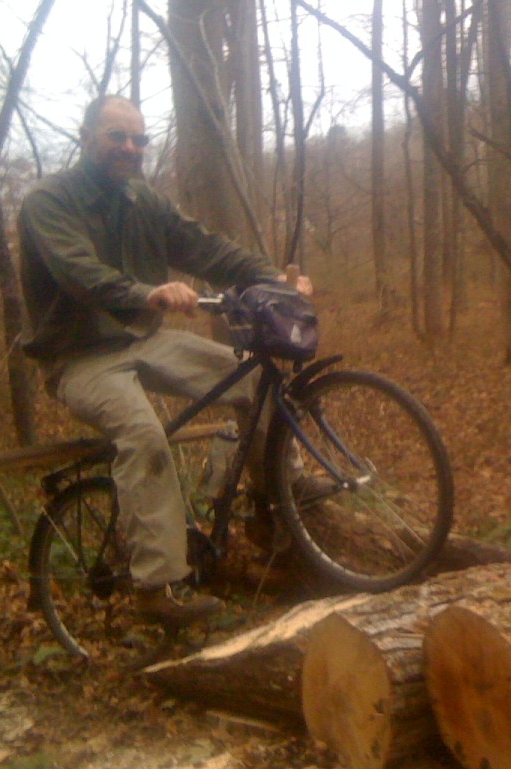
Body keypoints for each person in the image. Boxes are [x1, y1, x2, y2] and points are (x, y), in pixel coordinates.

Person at [18, 94, 305, 630]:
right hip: (78, 359)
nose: (130, 147)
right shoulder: (48, 202)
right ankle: (158, 587)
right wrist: (148, 293)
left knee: (253, 377)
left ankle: (280, 499)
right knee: (144, 436)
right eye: (117, 136)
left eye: (139, 138)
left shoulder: (143, 201)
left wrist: (275, 280)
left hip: (142, 339)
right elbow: (79, 273)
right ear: (87, 137)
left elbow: (208, 249)